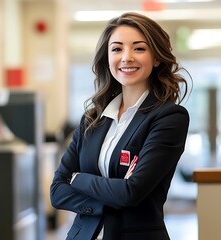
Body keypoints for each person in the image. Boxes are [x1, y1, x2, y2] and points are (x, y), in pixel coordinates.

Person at [50, 12, 191, 240]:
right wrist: (106, 201)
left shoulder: (169, 117)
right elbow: (57, 191)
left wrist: (77, 179)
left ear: (156, 58)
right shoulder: (92, 119)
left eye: (139, 48)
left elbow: (131, 192)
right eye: (117, 49)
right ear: (107, 58)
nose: (126, 57)